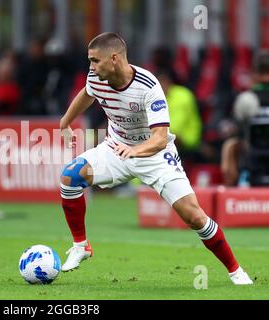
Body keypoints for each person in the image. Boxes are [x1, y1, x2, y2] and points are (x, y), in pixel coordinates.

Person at [58, 32, 252, 285]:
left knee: (194, 216)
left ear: (114, 58)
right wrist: (65, 122)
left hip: (156, 156)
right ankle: (81, 246)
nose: (91, 67)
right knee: (70, 177)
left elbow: (160, 138)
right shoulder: (96, 77)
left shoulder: (148, 86)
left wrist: (136, 152)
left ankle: (236, 271)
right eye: (90, 61)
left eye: (95, 60)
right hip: (116, 148)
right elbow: (87, 93)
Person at [221, 49, 269, 186]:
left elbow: (236, 131)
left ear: (254, 73)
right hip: (258, 166)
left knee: (231, 144)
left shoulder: (244, 99)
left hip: (251, 167)